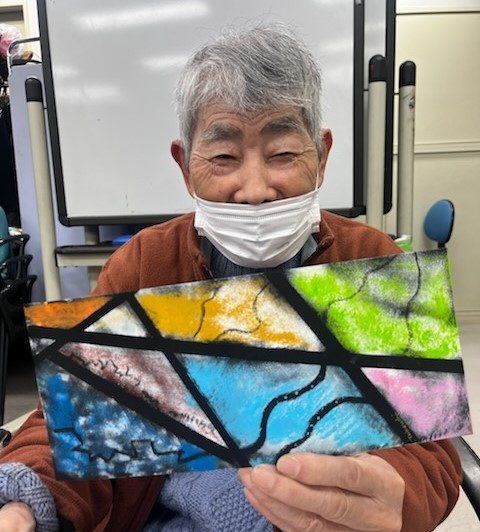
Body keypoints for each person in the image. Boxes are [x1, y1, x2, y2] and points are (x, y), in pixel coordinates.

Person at [0, 23, 461, 532]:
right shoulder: (142, 266)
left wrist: (391, 492)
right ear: (185, 166)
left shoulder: (368, 260)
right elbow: (72, 422)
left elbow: (431, 455)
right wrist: (22, 498)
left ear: (322, 156)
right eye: (223, 157)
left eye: (283, 153)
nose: (255, 189)